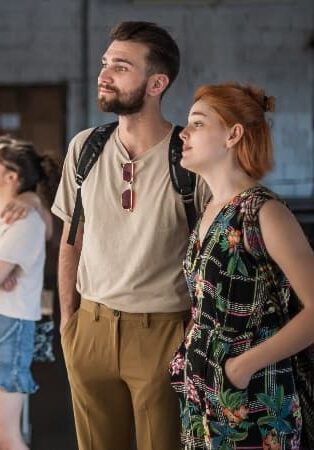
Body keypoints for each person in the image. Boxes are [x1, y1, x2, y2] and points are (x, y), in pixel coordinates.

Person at [52, 21, 209, 450]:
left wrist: (192, 336)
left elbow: (215, 255)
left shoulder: (190, 156)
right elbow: (72, 238)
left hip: (164, 333)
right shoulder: (84, 147)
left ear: (157, 83)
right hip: (90, 328)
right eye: (106, 63)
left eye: (121, 67)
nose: (104, 74)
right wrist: (69, 324)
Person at [169, 82, 314, 449]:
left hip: (256, 400)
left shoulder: (263, 212)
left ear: (233, 135)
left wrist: (241, 367)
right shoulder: (208, 211)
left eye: (198, 123)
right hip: (204, 398)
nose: (183, 133)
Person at [0, 136, 59, 450]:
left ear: (12, 176)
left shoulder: (26, 219)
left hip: (9, 327)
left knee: (6, 437)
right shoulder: (11, 213)